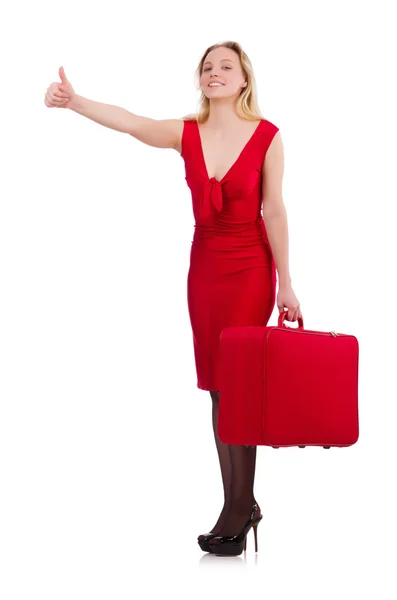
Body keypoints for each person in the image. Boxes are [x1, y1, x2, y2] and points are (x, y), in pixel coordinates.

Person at [44, 40, 302, 557]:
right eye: (207, 67)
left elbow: (274, 210)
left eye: (226, 66)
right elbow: (132, 121)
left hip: (251, 269)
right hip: (205, 271)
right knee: (217, 388)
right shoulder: (187, 133)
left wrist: (287, 283)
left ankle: (238, 506)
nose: (215, 72)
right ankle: (241, 504)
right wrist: (77, 102)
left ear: (244, 79)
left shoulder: (268, 136)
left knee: (241, 384)